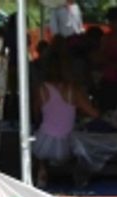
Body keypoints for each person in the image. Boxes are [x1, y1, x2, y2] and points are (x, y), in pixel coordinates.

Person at [31, 45, 97, 185]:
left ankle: (42, 171)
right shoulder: (73, 91)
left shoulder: (41, 89)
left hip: (44, 142)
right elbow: (94, 113)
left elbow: (36, 115)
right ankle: (78, 175)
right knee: (80, 145)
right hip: (66, 142)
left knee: (37, 141)